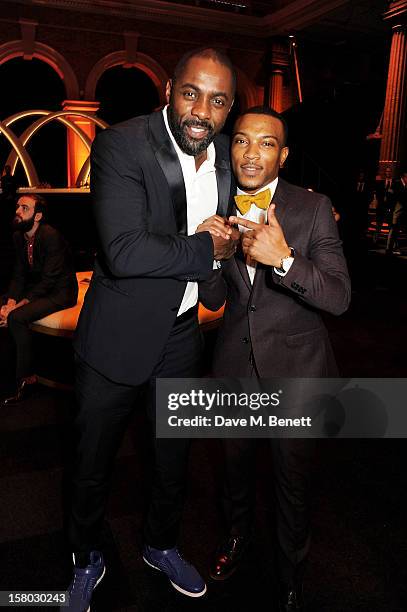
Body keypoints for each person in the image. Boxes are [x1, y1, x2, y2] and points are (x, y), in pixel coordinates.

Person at [63, 47, 239, 611]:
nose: (201, 111)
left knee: (172, 462)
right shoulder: (122, 143)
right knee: (92, 464)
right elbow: (122, 250)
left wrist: (223, 261)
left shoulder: (228, 164)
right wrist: (205, 248)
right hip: (115, 336)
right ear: (169, 88)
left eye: (217, 101)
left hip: (183, 336)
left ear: (229, 108)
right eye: (191, 93)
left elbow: (226, 246)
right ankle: (85, 555)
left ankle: (160, 545)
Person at [201, 106, 351, 611]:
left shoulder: (312, 208)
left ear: (282, 156)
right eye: (242, 141)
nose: (251, 152)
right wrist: (211, 255)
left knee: (291, 485)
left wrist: (284, 259)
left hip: (297, 374)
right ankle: (237, 539)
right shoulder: (217, 206)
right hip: (235, 372)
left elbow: (338, 297)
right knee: (234, 473)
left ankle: (291, 572)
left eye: (266, 143)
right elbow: (217, 301)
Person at [0, 194, 78, 404]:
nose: (18, 211)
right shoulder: (19, 236)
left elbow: (50, 280)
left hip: (61, 292)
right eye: (17, 207)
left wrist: (22, 302)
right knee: (5, 307)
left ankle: (26, 379)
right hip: (39, 288)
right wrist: (10, 301)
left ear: (38, 216)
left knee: (17, 317)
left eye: (25, 208)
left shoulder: (50, 235)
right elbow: (19, 274)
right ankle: (9, 367)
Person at [386, 169, 407, 256]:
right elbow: (390, 197)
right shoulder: (396, 184)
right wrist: (390, 209)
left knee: (397, 231)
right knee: (393, 229)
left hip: (403, 214)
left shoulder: (405, 185)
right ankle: (388, 249)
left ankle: (395, 247)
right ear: (404, 177)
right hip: (396, 212)